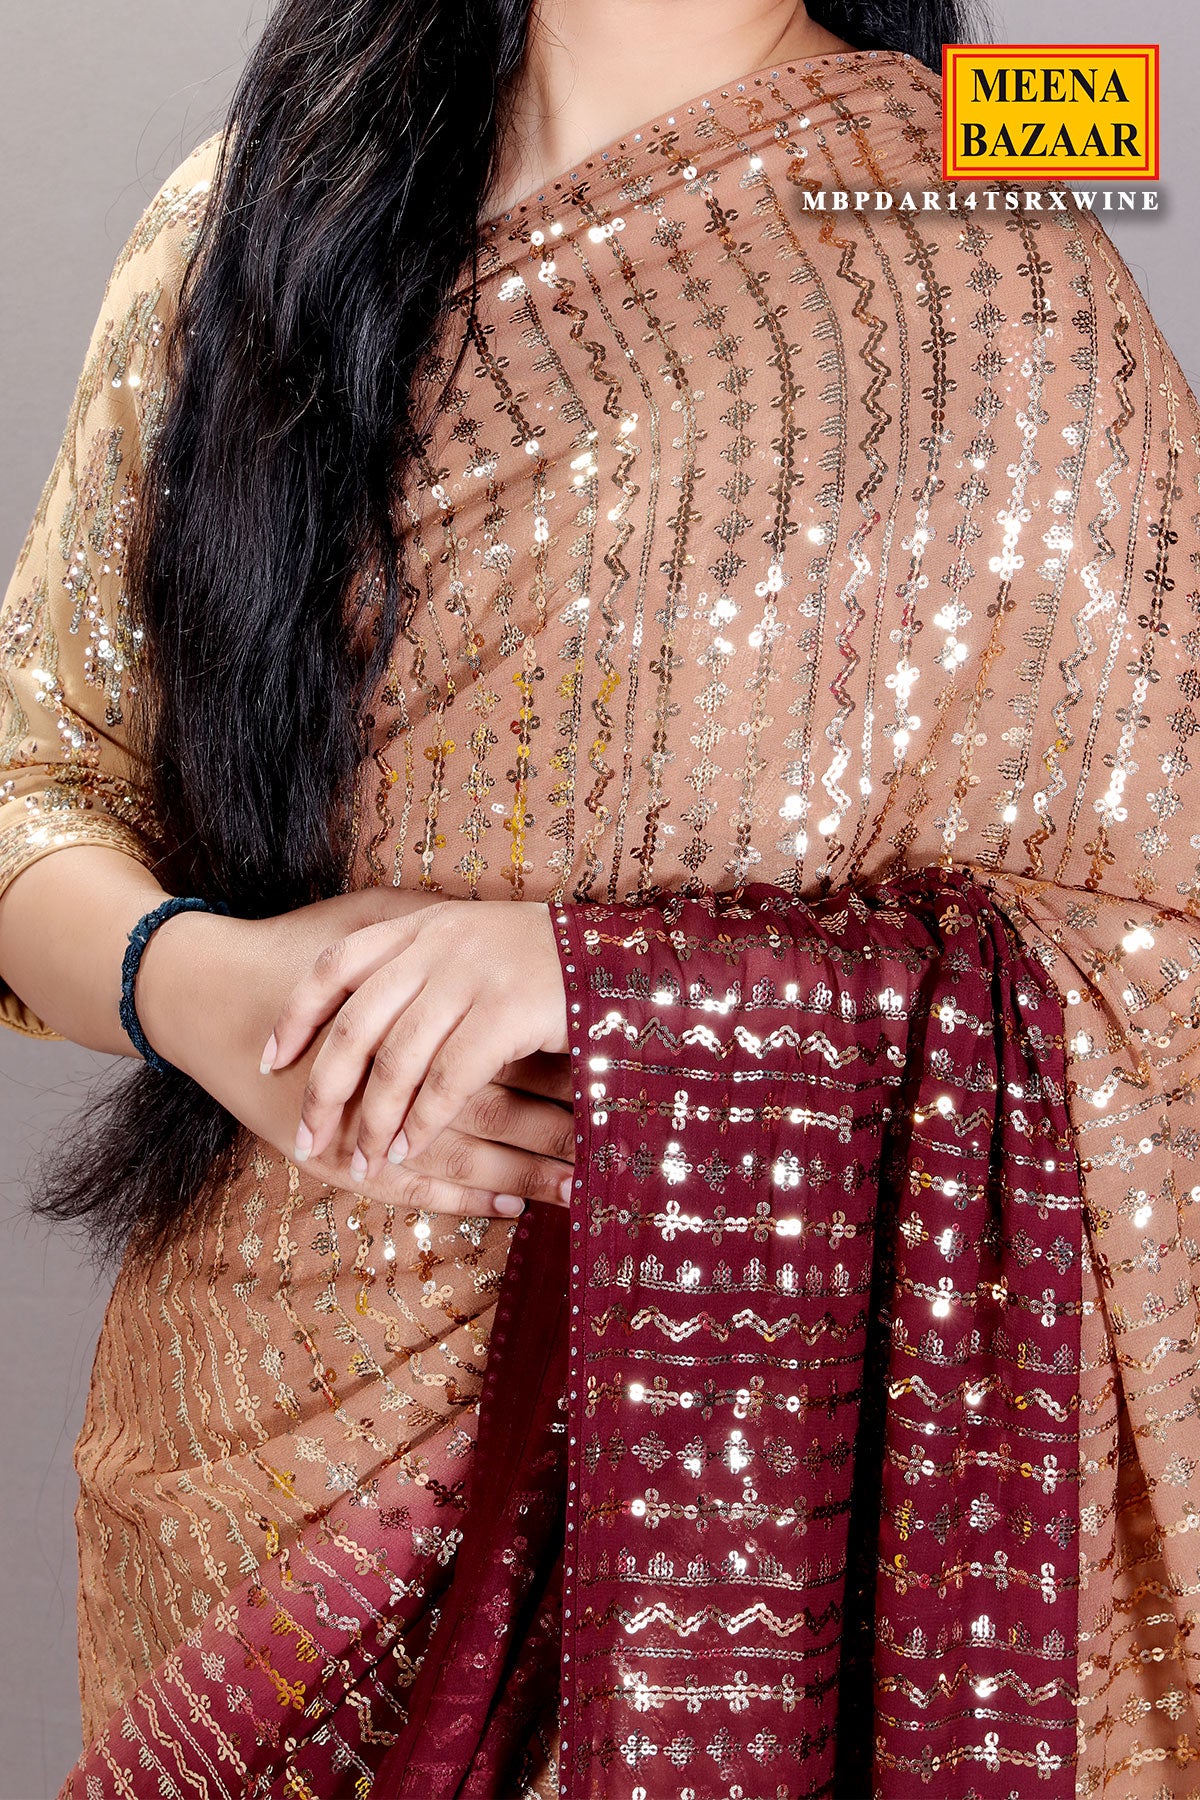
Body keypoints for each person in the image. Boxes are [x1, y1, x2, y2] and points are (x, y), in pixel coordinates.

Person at [1, 0, 1198, 1792]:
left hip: (729, 1472)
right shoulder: (257, 213)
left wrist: (624, 991)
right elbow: (34, 778)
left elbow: (1150, 957)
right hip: (248, 1464)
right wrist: (199, 990)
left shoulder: (990, 216)